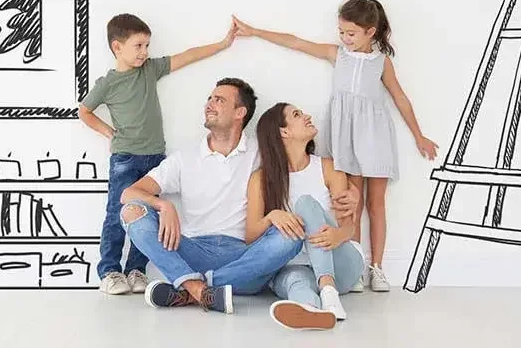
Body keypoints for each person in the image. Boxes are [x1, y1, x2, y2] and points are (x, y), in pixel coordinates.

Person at [232, 0, 438, 292]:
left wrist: (419, 135)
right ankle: (352, 266)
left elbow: (399, 97)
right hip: (345, 135)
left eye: (351, 33)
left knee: (376, 203)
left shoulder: (382, 62)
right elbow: (296, 43)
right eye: (341, 32)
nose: (344, 38)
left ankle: (376, 267)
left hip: (374, 134)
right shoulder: (337, 55)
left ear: (371, 31)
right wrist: (255, 31)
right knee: (349, 202)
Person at [119, 78, 360, 313]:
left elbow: (302, 165)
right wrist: (162, 205)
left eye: (219, 100)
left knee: (293, 231)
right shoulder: (184, 159)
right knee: (131, 212)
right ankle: (197, 289)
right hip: (194, 250)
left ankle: (189, 291)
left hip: (247, 256)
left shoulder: (262, 151)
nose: (209, 104)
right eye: (209, 99)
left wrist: (354, 192)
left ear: (239, 112)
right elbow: (130, 193)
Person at [79, 13, 237, 295]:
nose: (145, 52)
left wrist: (223, 44)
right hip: (125, 158)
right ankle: (110, 271)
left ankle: (136, 270)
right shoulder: (108, 83)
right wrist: (108, 132)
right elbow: (84, 111)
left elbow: (188, 56)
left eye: (147, 46)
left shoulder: (150, 70)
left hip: (155, 158)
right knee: (117, 214)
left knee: (148, 214)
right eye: (138, 46)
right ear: (117, 47)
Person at [246, 102, 365, 330]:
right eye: (297, 115)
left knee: (305, 204)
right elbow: (250, 236)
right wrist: (272, 216)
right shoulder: (260, 180)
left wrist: (337, 236)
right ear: (284, 131)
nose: (307, 116)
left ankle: (328, 291)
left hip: (340, 264)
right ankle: (312, 311)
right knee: (295, 282)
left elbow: (349, 226)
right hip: (295, 266)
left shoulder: (328, 168)